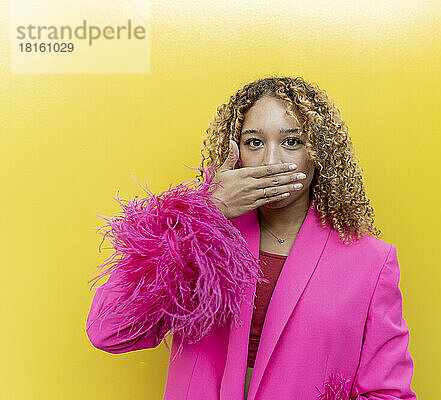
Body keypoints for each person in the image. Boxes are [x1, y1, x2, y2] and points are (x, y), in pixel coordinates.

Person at [86, 76, 417, 400]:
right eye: (254, 142)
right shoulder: (200, 238)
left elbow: (389, 392)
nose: (271, 161)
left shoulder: (371, 262)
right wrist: (204, 211)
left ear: (319, 154)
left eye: (292, 141)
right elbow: (109, 331)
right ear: (237, 152)